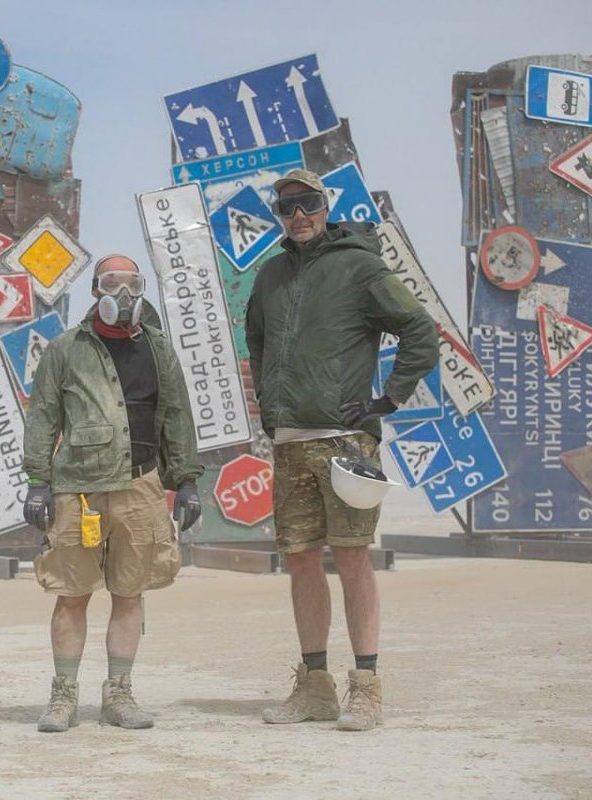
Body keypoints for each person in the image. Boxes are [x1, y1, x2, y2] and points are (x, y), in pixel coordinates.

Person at [245, 169, 438, 731]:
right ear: (278, 214)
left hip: (345, 444)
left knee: (352, 556)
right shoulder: (270, 275)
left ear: (325, 206)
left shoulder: (360, 266)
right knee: (300, 559)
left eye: (308, 203)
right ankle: (314, 688)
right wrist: (271, 407)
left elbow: (419, 331)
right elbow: (256, 339)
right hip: (290, 443)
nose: (298, 214)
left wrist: (386, 401)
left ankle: (366, 688)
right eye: (287, 207)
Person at [22, 254, 203, 733]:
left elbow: (177, 416)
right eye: (110, 284)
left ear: (141, 289)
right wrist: (37, 481)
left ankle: (118, 695)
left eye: (131, 284)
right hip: (77, 489)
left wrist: (185, 481)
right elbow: (42, 417)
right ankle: (63, 698)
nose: (121, 295)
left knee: (129, 593)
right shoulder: (65, 349)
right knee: (71, 593)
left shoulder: (159, 349)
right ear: (95, 292)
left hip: (140, 486)